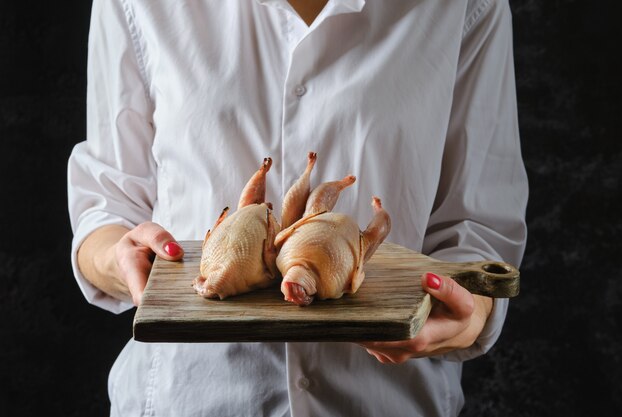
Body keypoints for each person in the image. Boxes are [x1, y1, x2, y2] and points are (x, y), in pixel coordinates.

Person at [67, 0, 528, 415]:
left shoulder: (463, 7)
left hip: (386, 402)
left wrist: (471, 314)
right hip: (187, 398)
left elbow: (479, 224)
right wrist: (120, 258)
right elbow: (107, 205)